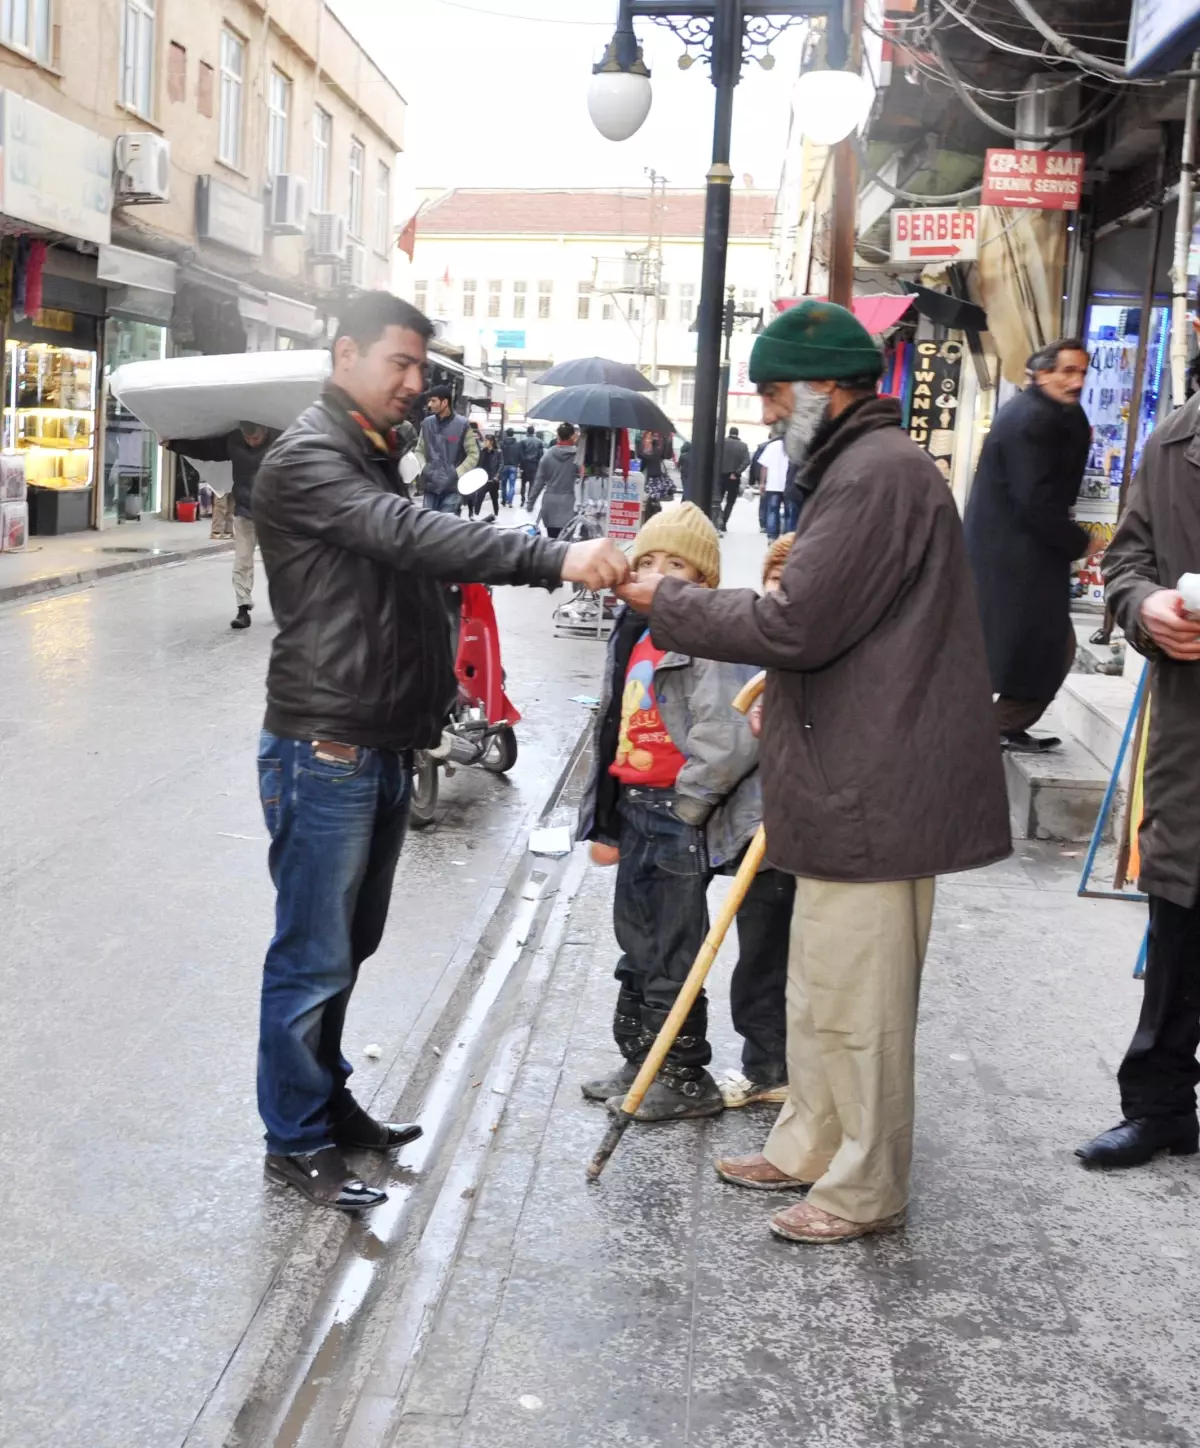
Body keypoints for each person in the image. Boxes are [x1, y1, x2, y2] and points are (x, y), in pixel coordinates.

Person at [616, 300, 1010, 1244]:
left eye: (771, 393)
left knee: (862, 1001)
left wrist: (671, 601)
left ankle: (864, 1185)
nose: (762, 412)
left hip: (876, 782)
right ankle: (810, 1142)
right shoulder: (859, 469)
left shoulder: (875, 474)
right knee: (822, 986)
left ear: (824, 390)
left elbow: (797, 627)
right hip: (847, 774)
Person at [251, 290, 629, 1210]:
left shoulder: (374, 450)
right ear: (345, 356)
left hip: (379, 741)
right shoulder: (309, 458)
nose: (416, 383)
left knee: (348, 947)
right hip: (327, 746)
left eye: (422, 367)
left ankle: (326, 1101)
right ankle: (294, 1138)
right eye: (401, 363)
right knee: (312, 955)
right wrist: (553, 558)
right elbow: (408, 538)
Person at [578, 503, 760, 1122]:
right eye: (647, 560)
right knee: (636, 939)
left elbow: (730, 732)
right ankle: (641, 1060)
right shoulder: (635, 632)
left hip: (675, 811)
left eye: (675, 565)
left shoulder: (708, 638)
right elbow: (614, 725)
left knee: (671, 948)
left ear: (703, 580)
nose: (656, 573)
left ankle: (682, 1075)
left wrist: (691, 803)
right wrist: (605, 818)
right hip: (637, 805)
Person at [1075, 388, 1200, 1169]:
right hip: (1192, 736)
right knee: (1181, 926)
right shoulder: (1175, 440)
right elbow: (1127, 559)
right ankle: (1160, 1109)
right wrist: (1144, 603)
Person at [964, 339, 1098, 752]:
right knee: (1047, 649)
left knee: (1032, 649)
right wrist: (1080, 542)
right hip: (1018, 555)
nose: (1077, 381)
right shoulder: (1034, 419)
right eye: (1067, 371)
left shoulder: (1047, 412)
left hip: (1017, 552)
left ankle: (991, 726)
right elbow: (1035, 499)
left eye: (1082, 372)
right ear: (1042, 374)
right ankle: (989, 728)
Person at [718, 532, 797, 1111]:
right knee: (761, 954)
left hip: (805, 833)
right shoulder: (753, 657)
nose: (779, 596)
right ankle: (767, 1064)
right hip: (761, 834)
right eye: (773, 584)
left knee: (783, 960)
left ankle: (779, 1069)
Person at [165, 422, 279, 629]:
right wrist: (174, 444)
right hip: (245, 512)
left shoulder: (281, 441)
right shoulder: (234, 441)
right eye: (248, 439)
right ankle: (243, 609)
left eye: (255, 439)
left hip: (274, 515)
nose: (252, 443)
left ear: (265, 432)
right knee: (242, 562)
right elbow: (206, 450)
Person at [416, 384, 478, 514]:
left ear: (445, 402)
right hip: (430, 486)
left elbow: (473, 454)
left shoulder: (463, 425)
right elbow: (419, 450)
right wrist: (423, 468)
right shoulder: (426, 424)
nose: (429, 404)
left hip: (452, 488)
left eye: (433, 401)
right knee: (428, 523)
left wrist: (457, 473)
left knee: (446, 524)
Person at [527, 422, 579, 539]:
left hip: (550, 504)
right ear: (572, 436)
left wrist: (530, 502)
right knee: (566, 542)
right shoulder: (578, 457)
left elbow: (539, 482)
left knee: (552, 540)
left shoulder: (548, 455)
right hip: (570, 503)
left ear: (558, 436)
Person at [716, 426, 751, 534]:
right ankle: (724, 522)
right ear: (737, 434)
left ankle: (719, 517)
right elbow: (747, 461)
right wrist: (737, 472)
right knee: (730, 501)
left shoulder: (721, 443)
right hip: (734, 477)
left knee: (717, 499)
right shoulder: (743, 446)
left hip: (721, 475)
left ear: (729, 433)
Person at [758, 434, 790, 542]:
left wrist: (762, 483)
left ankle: (772, 536)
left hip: (773, 484)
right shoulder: (794, 445)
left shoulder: (772, 446)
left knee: (772, 510)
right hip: (788, 484)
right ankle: (788, 536)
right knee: (789, 512)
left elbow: (764, 466)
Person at [472, 432, 502, 519]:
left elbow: (501, 464)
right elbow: (478, 464)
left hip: (493, 480)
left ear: (491, 442)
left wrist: (497, 475)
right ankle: (476, 514)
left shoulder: (498, 452)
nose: (485, 442)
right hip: (483, 480)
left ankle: (496, 514)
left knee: (494, 498)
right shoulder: (482, 452)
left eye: (486, 441)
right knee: (479, 496)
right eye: (484, 440)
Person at [518, 424, 544, 507]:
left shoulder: (523, 442)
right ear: (534, 432)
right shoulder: (539, 442)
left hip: (525, 464)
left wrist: (521, 466)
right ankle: (529, 499)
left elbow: (521, 455)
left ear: (527, 432)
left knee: (523, 483)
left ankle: (522, 499)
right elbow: (541, 455)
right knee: (532, 483)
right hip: (534, 465)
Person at [500, 426, 521, 506]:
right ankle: (510, 501)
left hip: (504, 466)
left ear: (506, 433)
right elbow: (519, 455)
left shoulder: (502, 444)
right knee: (512, 485)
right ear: (513, 434)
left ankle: (504, 500)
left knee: (503, 484)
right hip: (513, 466)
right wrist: (518, 464)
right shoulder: (517, 444)